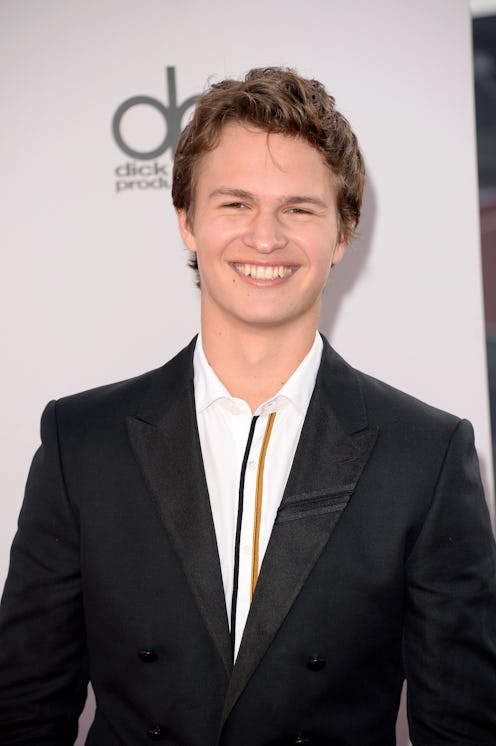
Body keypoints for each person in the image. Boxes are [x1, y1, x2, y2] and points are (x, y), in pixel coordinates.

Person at [0, 67, 495, 746]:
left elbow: (464, 729)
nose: (265, 237)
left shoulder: (426, 456)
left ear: (343, 231)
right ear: (187, 221)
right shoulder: (81, 442)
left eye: (299, 209)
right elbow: (24, 710)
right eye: (235, 204)